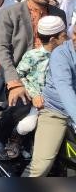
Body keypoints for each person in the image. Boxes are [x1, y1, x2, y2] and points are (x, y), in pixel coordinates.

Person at [0, 0, 66, 157]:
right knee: (22, 104)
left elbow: (63, 47)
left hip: (51, 76)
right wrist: (14, 83)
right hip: (19, 74)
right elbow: (1, 49)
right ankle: (1, 139)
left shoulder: (59, 14)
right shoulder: (10, 13)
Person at [10, 16, 68, 158]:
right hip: (38, 102)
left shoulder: (66, 56)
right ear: (53, 40)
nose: (67, 39)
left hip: (60, 103)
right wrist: (35, 94)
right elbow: (19, 76)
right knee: (28, 125)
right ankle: (15, 140)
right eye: (64, 36)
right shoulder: (33, 56)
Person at [28, 19, 76, 176]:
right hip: (56, 111)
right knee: (41, 167)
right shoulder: (61, 54)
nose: (74, 38)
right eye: (75, 33)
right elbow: (64, 87)